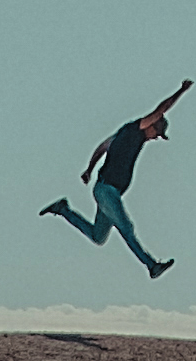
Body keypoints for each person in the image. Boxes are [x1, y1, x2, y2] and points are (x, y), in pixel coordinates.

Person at [47, 81, 188, 278]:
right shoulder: (134, 131)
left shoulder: (124, 134)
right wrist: (181, 90)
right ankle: (151, 265)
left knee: (98, 236)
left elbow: (103, 146)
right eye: (157, 133)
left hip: (106, 190)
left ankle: (62, 209)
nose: (156, 137)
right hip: (107, 191)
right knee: (126, 228)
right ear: (151, 125)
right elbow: (160, 110)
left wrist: (89, 169)